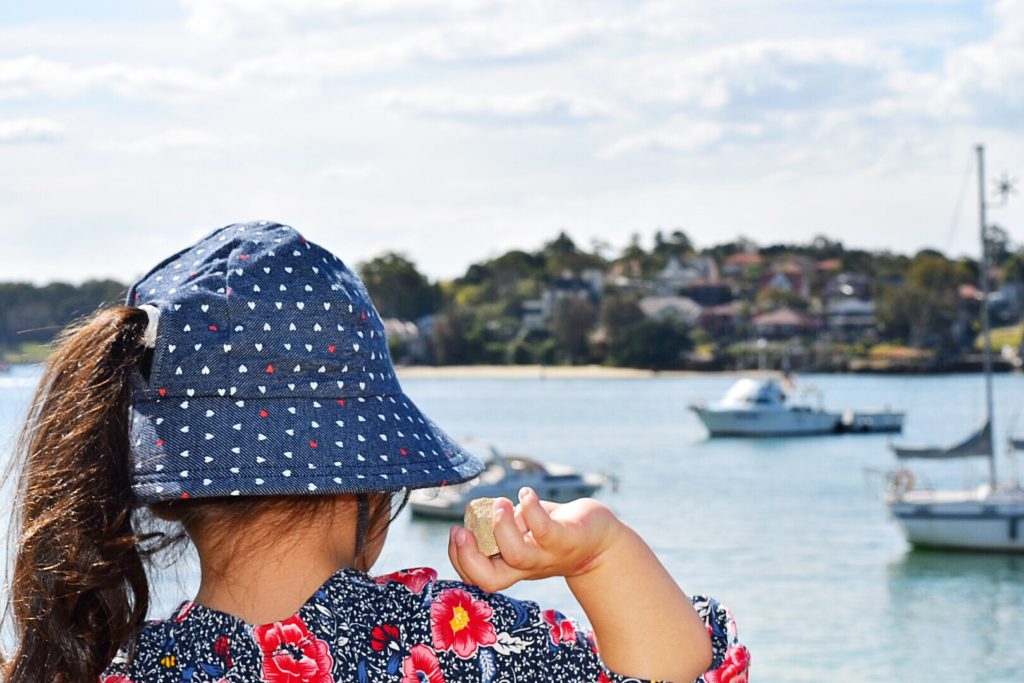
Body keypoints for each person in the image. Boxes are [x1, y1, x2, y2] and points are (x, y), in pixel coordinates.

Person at [3, 222, 749, 683]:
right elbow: (678, 672)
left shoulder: (116, 674)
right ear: (372, 486)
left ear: (167, 492)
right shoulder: (457, 644)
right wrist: (598, 553)